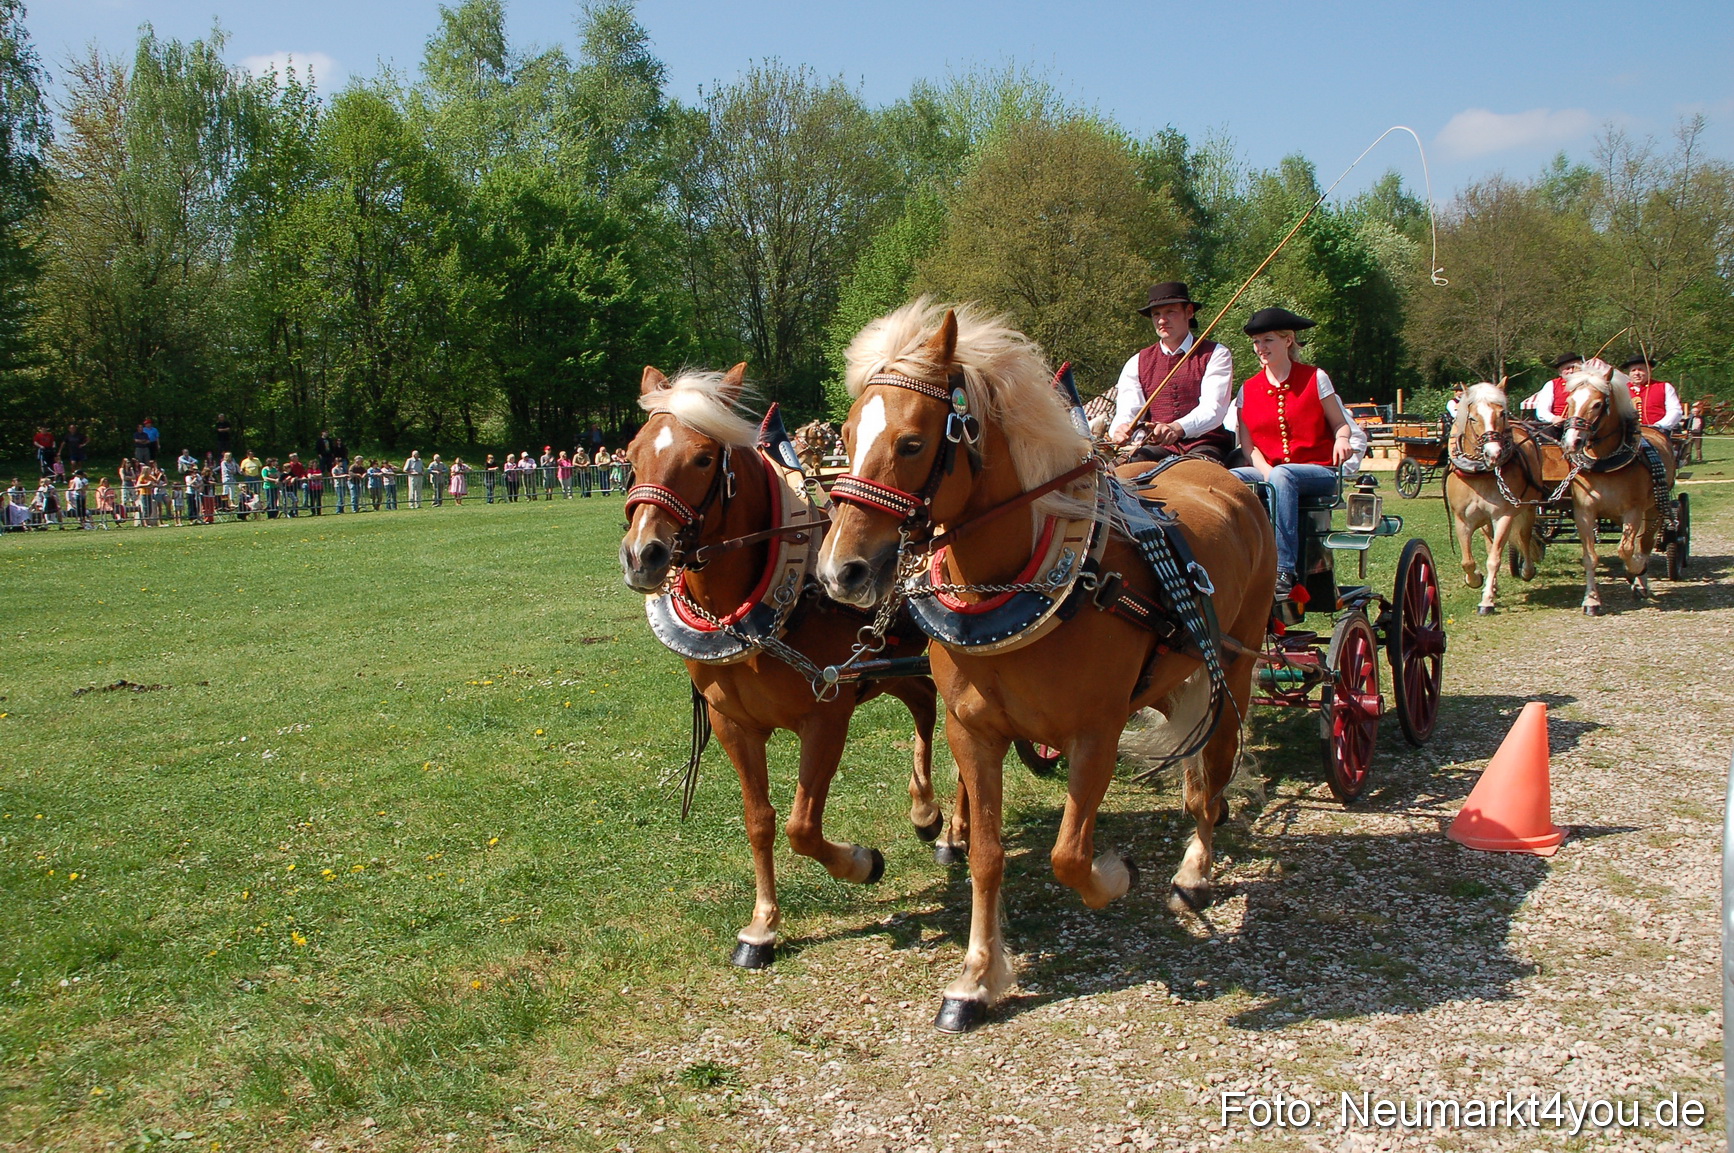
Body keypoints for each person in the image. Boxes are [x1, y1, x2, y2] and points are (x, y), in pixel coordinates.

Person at [1229, 307, 1368, 602]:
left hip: (1319, 471)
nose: (1261, 348)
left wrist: (1343, 440)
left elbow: (1341, 424)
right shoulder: (1247, 389)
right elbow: (1248, 447)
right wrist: (1267, 472)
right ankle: (1232, 563)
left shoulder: (1315, 378)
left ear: (1288, 340)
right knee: (1227, 479)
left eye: (1268, 340)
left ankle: (1284, 569)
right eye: (1256, 342)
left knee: (1283, 476)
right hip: (1270, 470)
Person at [1108, 282, 1236, 462]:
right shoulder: (1137, 362)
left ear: (1189, 312)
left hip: (1206, 443)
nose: (1162, 320)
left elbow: (1213, 409)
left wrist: (1177, 427)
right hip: (1156, 447)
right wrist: (1120, 428)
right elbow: (1128, 410)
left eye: (1170, 312)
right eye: (1156, 314)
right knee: (1124, 470)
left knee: (1197, 473)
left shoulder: (1216, 353)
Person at [1623, 355, 1682, 432]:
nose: (1637, 373)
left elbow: (1675, 410)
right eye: (1633, 370)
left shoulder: (1664, 387)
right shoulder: (1622, 389)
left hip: (1658, 431)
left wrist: (1659, 425)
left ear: (1649, 371)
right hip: (1627, 433)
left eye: (1640, 369)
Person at [1523, 352, 1581, 427]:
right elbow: (1542, 410)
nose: (1571, 371)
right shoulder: (1551, 385)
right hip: (1557, 427)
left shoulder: (1587, 385)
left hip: (1581, 426)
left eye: (1574, 368)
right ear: (1560, 372)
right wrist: (1553, 419)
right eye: (1567, 368)